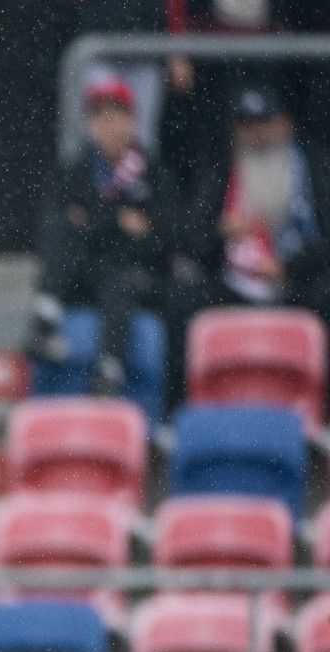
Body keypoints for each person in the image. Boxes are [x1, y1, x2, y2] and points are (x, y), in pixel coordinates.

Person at [167, 86, 330, 403]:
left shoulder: (315, 166)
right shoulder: (221, 169)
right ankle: (178, 413)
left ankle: (324, 415)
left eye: (262, 123)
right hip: (234, 284)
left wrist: (289, 268)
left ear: (284, 124)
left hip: (298, 283)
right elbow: (187, 238)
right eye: (245, 125)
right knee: (181, 299)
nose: (255, 134)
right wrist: (219, 232)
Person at [28, 74, 174, 405]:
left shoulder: (154, 174)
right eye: (99, 116)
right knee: (60, 232)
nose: (108, 125)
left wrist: (93, 221)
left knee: (120, 280)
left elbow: (161, 241)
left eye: (116, 115)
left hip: (132, 275)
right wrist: (118, 221)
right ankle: (45, 317)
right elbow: (55, 228)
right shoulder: (73, 170)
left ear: (132, 120)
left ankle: (108, 372)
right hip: (81, 273)